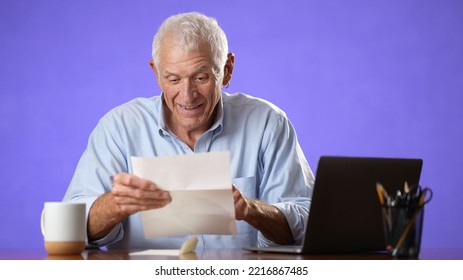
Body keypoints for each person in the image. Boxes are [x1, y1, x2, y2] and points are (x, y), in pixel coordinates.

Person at [63, 11, 314, 250]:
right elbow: (68, 229)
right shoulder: (118, 128)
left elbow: (306, 223)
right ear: (156, 74)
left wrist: (251, 210)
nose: (187, 95)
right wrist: (115, 205)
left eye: (201, 77)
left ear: (226, 70)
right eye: (173, 79)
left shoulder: (268, 123)